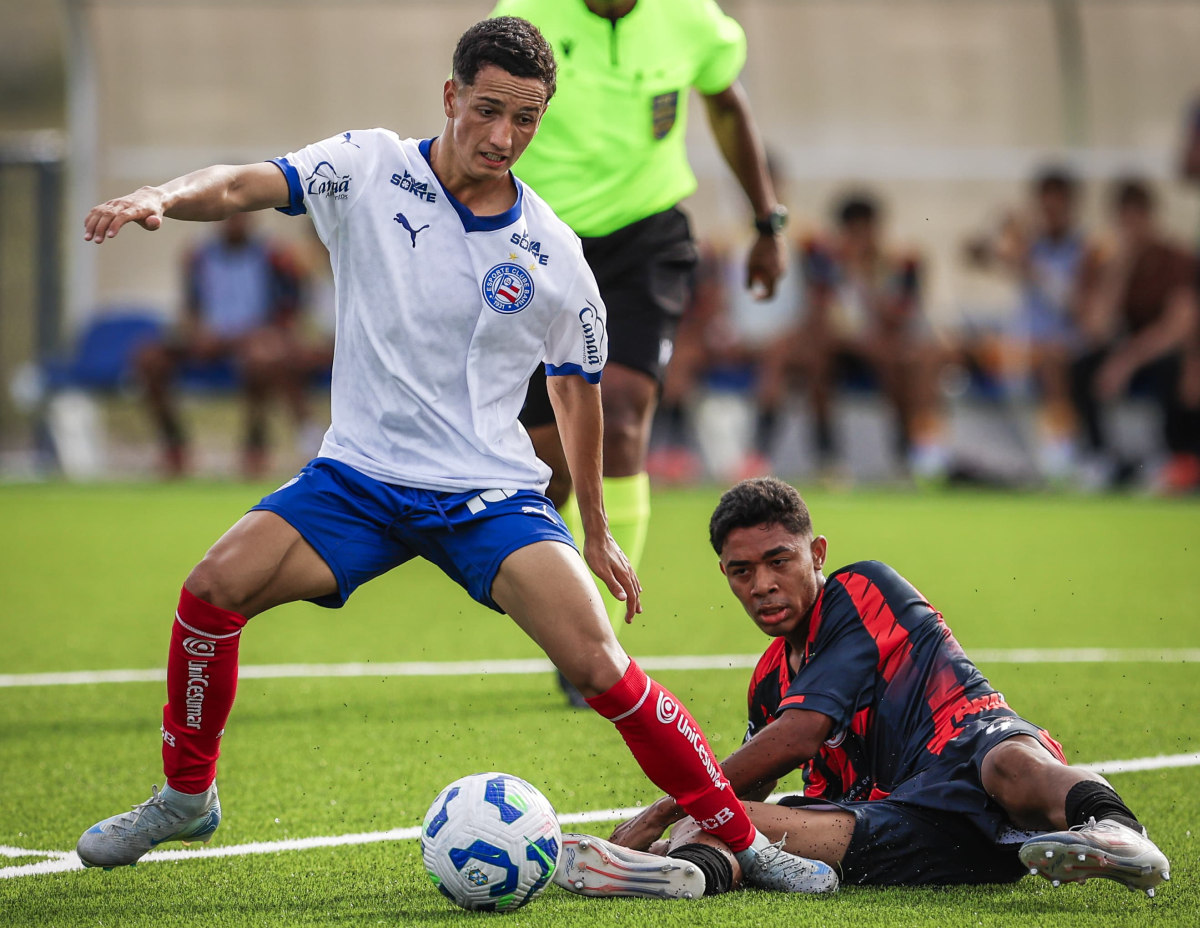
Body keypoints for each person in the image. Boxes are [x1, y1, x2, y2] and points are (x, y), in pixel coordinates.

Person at [72, 18, 836, 895]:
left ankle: (746, 842)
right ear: (450, 96)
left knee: (601, 669)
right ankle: (185, 796)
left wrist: (595, 527)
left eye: (526, 119)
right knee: (212, 590)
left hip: (487, 496)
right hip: (358, 480)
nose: (504, 136)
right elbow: (248, 181)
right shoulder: (367, 167)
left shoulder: (551, 250)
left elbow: (578, 391)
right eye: (488, 110)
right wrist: (164, 194)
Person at [554, 477, 1170, 898]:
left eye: (779, 561)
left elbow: (800, 737)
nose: (762, 584)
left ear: (817, 553)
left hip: (975, 767)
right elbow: (747, 784)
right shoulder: (768, 679)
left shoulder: (861, 591)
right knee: (721, 820)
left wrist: (664, 809)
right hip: (906, 827)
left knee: (1011, 759)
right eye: (742, 572)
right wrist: (693, 820)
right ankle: (684, 872)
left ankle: (1116, 831)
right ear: (725, 575)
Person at [487, 0, 788, 654]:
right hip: (533, 240)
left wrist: (767, 223)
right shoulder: (526, 15)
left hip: (643, 238)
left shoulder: (689, 17)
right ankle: (565, 610)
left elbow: (726, 105)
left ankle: (597, 641)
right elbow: (478, 119)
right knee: (547, 463)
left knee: (620, 412)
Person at [754, 193, 946, 482]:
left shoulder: (901, 263)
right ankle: (825, 456)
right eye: (854, 232)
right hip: (837, 347)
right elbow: (818, 315)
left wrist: (863, 278)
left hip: (881, 348)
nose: (861, 240)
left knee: (903, 362)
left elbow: (899, 319)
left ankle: (908, 454)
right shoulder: (822, 260)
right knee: (813, 359)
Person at [134, 212, 305, 477]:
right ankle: (174, 445)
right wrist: (196, 331)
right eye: (227, 216)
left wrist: (264, 334)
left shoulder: (274, 255)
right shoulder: (198, 255)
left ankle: (254, 445)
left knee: (262, 360)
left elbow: (290, 309)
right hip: (209, 338)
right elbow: (191, 305)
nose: (233, 222)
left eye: (240, 216)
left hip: (254, 338)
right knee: (150, 358)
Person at [965, 167, 1104, 483]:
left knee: (1051, 358)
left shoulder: (1087, 249)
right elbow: (974, 254)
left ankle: (1061, 451)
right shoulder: (1030, 243)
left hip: (1068, 346)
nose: (1050, 213)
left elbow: (1081, 310)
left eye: (1057, 205)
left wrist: (1032, 270)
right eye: (1045, 206)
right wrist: (998, 226)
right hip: (1027, 345)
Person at [1070, 178, 1200, 492]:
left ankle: (1176, 456)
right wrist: (1120, 267)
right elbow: (1095, 329)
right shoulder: (1104, 261)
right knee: (1083, 365)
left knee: (1178, 367)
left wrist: (1126, 361)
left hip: (1161, 350)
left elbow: (1178, 326)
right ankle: (1099, 456)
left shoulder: (1175, 258)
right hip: (1126, 348)